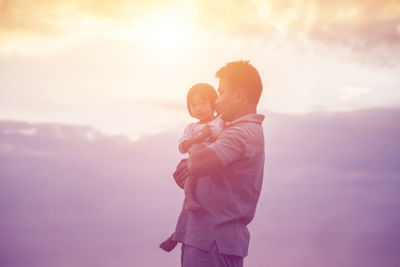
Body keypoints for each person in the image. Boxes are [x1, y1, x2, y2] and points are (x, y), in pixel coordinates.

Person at [168, 60, 265, 267]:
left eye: (221, 92)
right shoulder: (235, 131)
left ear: (238, 95)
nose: (217, 101)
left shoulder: (240, 133)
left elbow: (198, 164)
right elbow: (200, 168)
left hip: (211, 243)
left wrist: (193, 145)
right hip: (208, 242)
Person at [178, 83, 225, 211]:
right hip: (196, 161)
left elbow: (226, 137)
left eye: (203, 103)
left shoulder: (220, 121)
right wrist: (200, 138)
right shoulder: (192, 128)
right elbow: (183, 146)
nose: (198, 108)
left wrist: (214, 138)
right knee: (190, 174)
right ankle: (189, 197)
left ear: (213, 104)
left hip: (213, 160)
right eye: (194, 105)